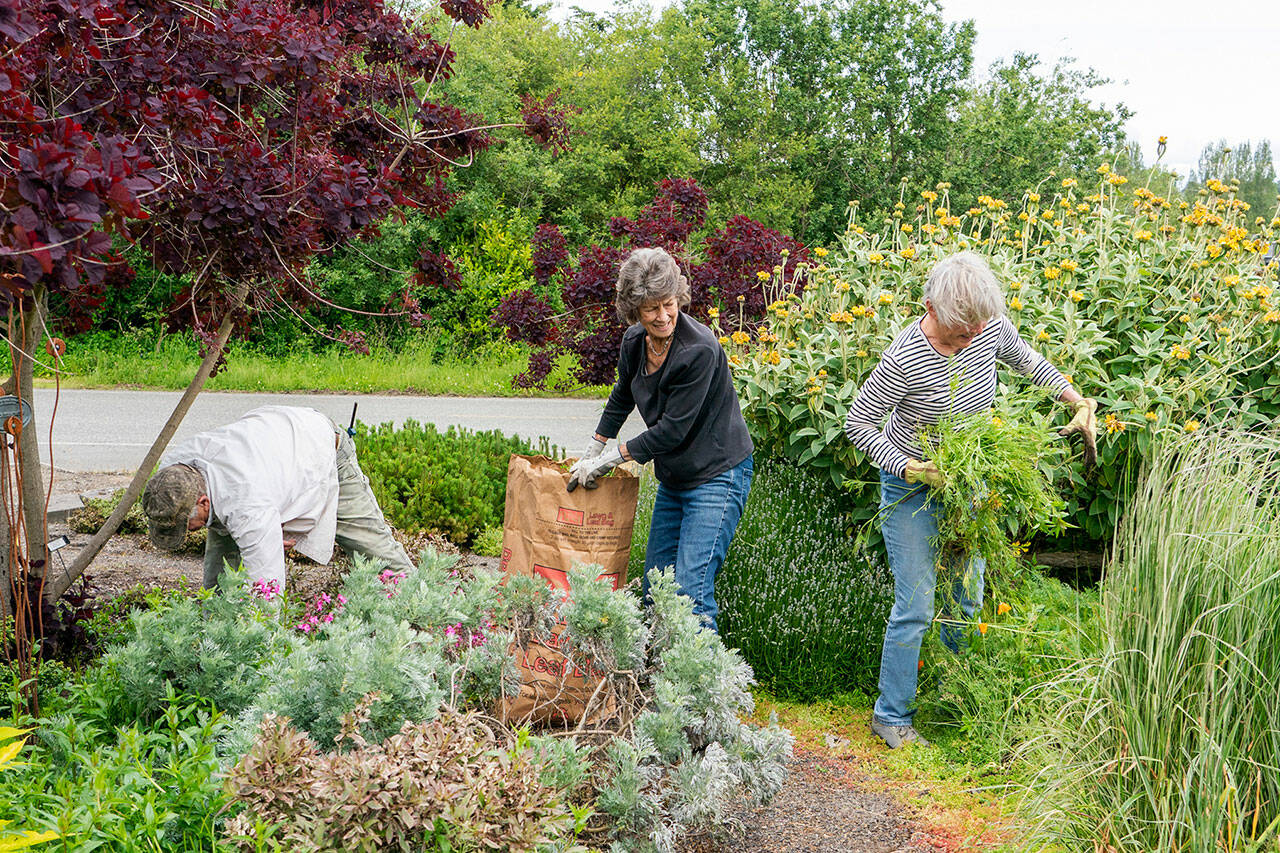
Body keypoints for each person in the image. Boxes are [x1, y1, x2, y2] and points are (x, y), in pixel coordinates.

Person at [844, 251, 1097, 749]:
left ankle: (955, 700)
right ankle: (891, 716)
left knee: (967, 597)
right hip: (912, 491)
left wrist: (1078, 400)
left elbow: (1029, 362)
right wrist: (914, 467)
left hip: (971, 486)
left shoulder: (987, 328)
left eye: (981, 325)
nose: (974, 336)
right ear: (931, 308)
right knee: (915, 605)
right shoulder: (903, 357)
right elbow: (858, 424)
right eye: (963, 328)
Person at [567, 247, 754, 632]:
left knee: (690, 592)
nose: (664, 316)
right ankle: (660, 683)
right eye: (652, 308)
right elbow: (622, 396)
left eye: (669, 304)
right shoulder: (635, 342)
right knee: (658, 587)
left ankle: (708, 686)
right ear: (634, 310)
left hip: (718, 475)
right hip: (676, 478)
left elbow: (672, 431)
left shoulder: (698, 349)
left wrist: (608, 462)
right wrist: (593, 448)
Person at [142, 405, 413, 592]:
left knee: (372, 546)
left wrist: (258, 650)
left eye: (184, 524)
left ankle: (431, 608)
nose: (185, 532)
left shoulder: (246, 505)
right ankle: (216, 631)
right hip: (273, 446)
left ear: (203, 502)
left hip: (321, 446)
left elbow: (267, 591)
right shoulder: (173, 473)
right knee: (220, 576)